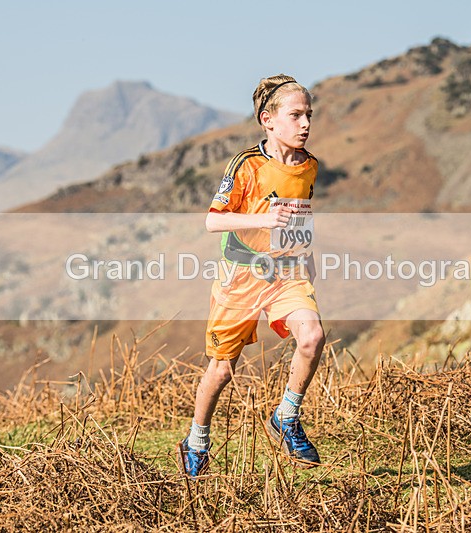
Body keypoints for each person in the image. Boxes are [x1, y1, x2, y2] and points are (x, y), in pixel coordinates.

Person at [178, 75, 326, 478]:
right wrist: (262, 217)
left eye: (308, 115)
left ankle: (286, 417)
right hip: (240, 278)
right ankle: (196, 442)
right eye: (295, 115)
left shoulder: (310, 166)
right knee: (222, 370)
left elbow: (298, 217)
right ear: (268, 120)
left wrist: (304, 253)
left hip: (287, 273)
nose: (305, 124)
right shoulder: (247, 165)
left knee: (312, 337)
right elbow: (212, 221)